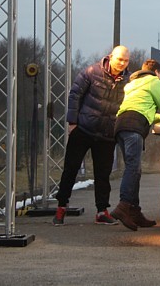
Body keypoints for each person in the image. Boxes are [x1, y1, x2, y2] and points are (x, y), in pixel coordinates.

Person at [53, 45, 131, 226]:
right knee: (70, 169)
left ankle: (101, 211)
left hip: (106, 134)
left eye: (126, 60)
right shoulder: (91, 72)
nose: (122, 63)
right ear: (111, 57)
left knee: (103, 174)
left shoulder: (129, 80)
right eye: (119, 59)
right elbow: (75, 95)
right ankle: (61, 207)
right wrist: (72, 123)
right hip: (83, 129)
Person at [111, 59, 160, 230]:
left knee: (134, 169)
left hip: (121, 125)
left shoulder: (133, 84)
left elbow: (148, 112)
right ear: (157, 72)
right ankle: (123, 206)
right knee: (133, 168)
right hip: (134, 126)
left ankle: (135, 212)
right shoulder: (154, 81)